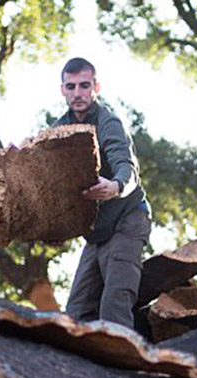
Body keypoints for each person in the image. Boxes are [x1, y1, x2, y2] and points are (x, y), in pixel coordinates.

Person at [53, 57, 152, 329]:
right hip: (95, 234)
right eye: (71, 87)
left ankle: (125, 370)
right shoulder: (58, 131)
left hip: (126, 221)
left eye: (84, 86)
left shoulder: (109, 122)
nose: (77, 93)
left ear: (96, 86)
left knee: (114, 309)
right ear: (62, 89)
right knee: (75, 315)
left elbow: (126, 166)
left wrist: (116, 186)